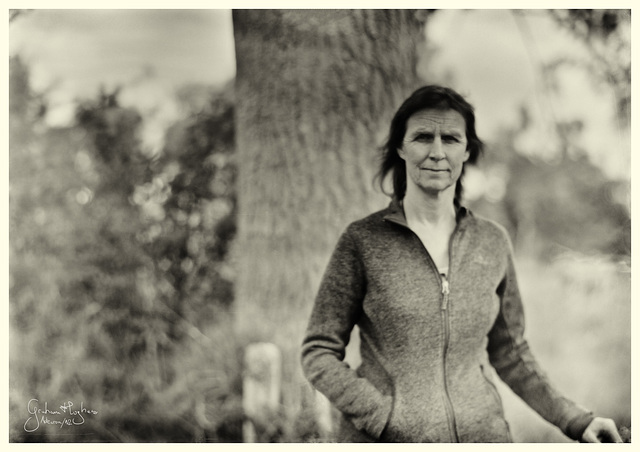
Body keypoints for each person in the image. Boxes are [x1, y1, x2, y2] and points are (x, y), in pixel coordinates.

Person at [300, 85, 623, 443]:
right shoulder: (363, 241)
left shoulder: (492, 241)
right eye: (423, 137)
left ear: (466, 151)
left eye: (451, 139)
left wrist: (576, 420)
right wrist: (382, 416)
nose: (437, 152)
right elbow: (319, 351)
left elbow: (511, 352)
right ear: (400, 148)